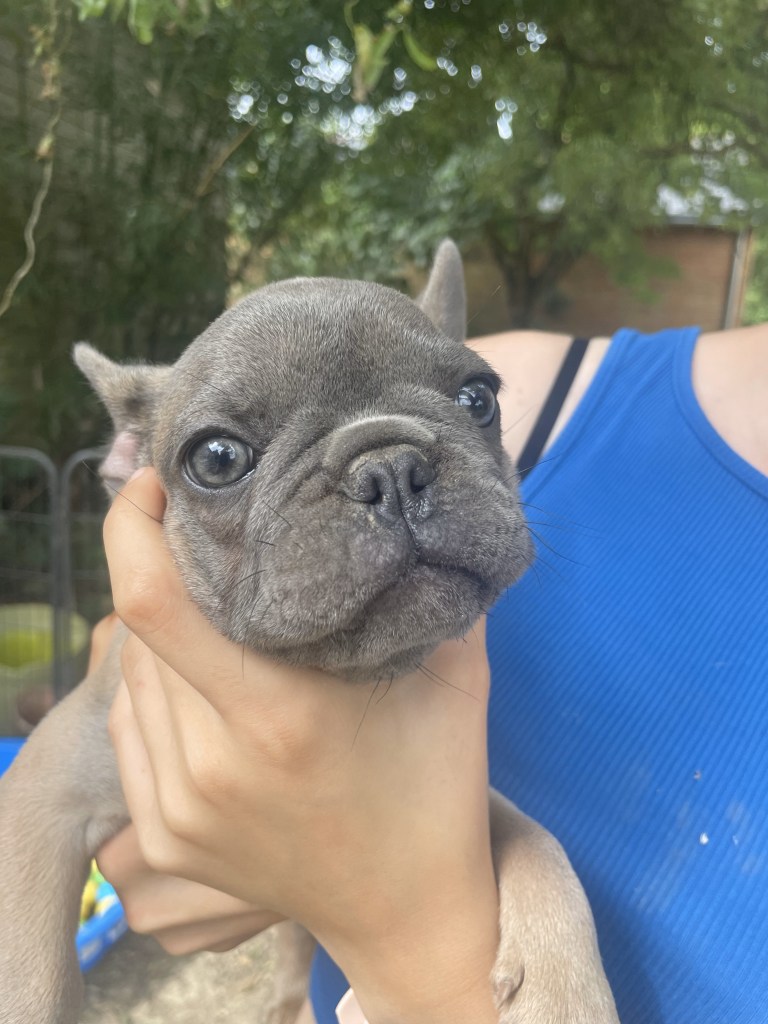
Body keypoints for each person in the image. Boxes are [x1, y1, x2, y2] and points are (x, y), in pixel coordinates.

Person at [96, 321, 768, 1024]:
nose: (389, 480)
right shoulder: (523, 380)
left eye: (473, 406)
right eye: (222, 459)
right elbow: (131, 649)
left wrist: (399, 940)